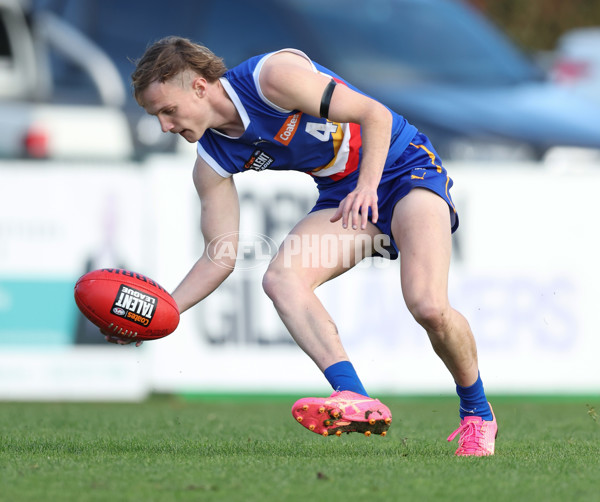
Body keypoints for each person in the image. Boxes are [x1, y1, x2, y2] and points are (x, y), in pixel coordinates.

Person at [113, 36, 497, 456]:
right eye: (157, 117)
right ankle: (353, 397)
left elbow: (375, 114)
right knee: (281, 280)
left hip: (404, 167)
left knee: (427, 305)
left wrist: (368, 187)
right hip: (344, 195)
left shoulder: (271, 80)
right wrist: (158, 315)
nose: (165, 126)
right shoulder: (212, 160)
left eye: (168, 111)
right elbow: (219, 256)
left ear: (200, 87)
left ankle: (477, 413)